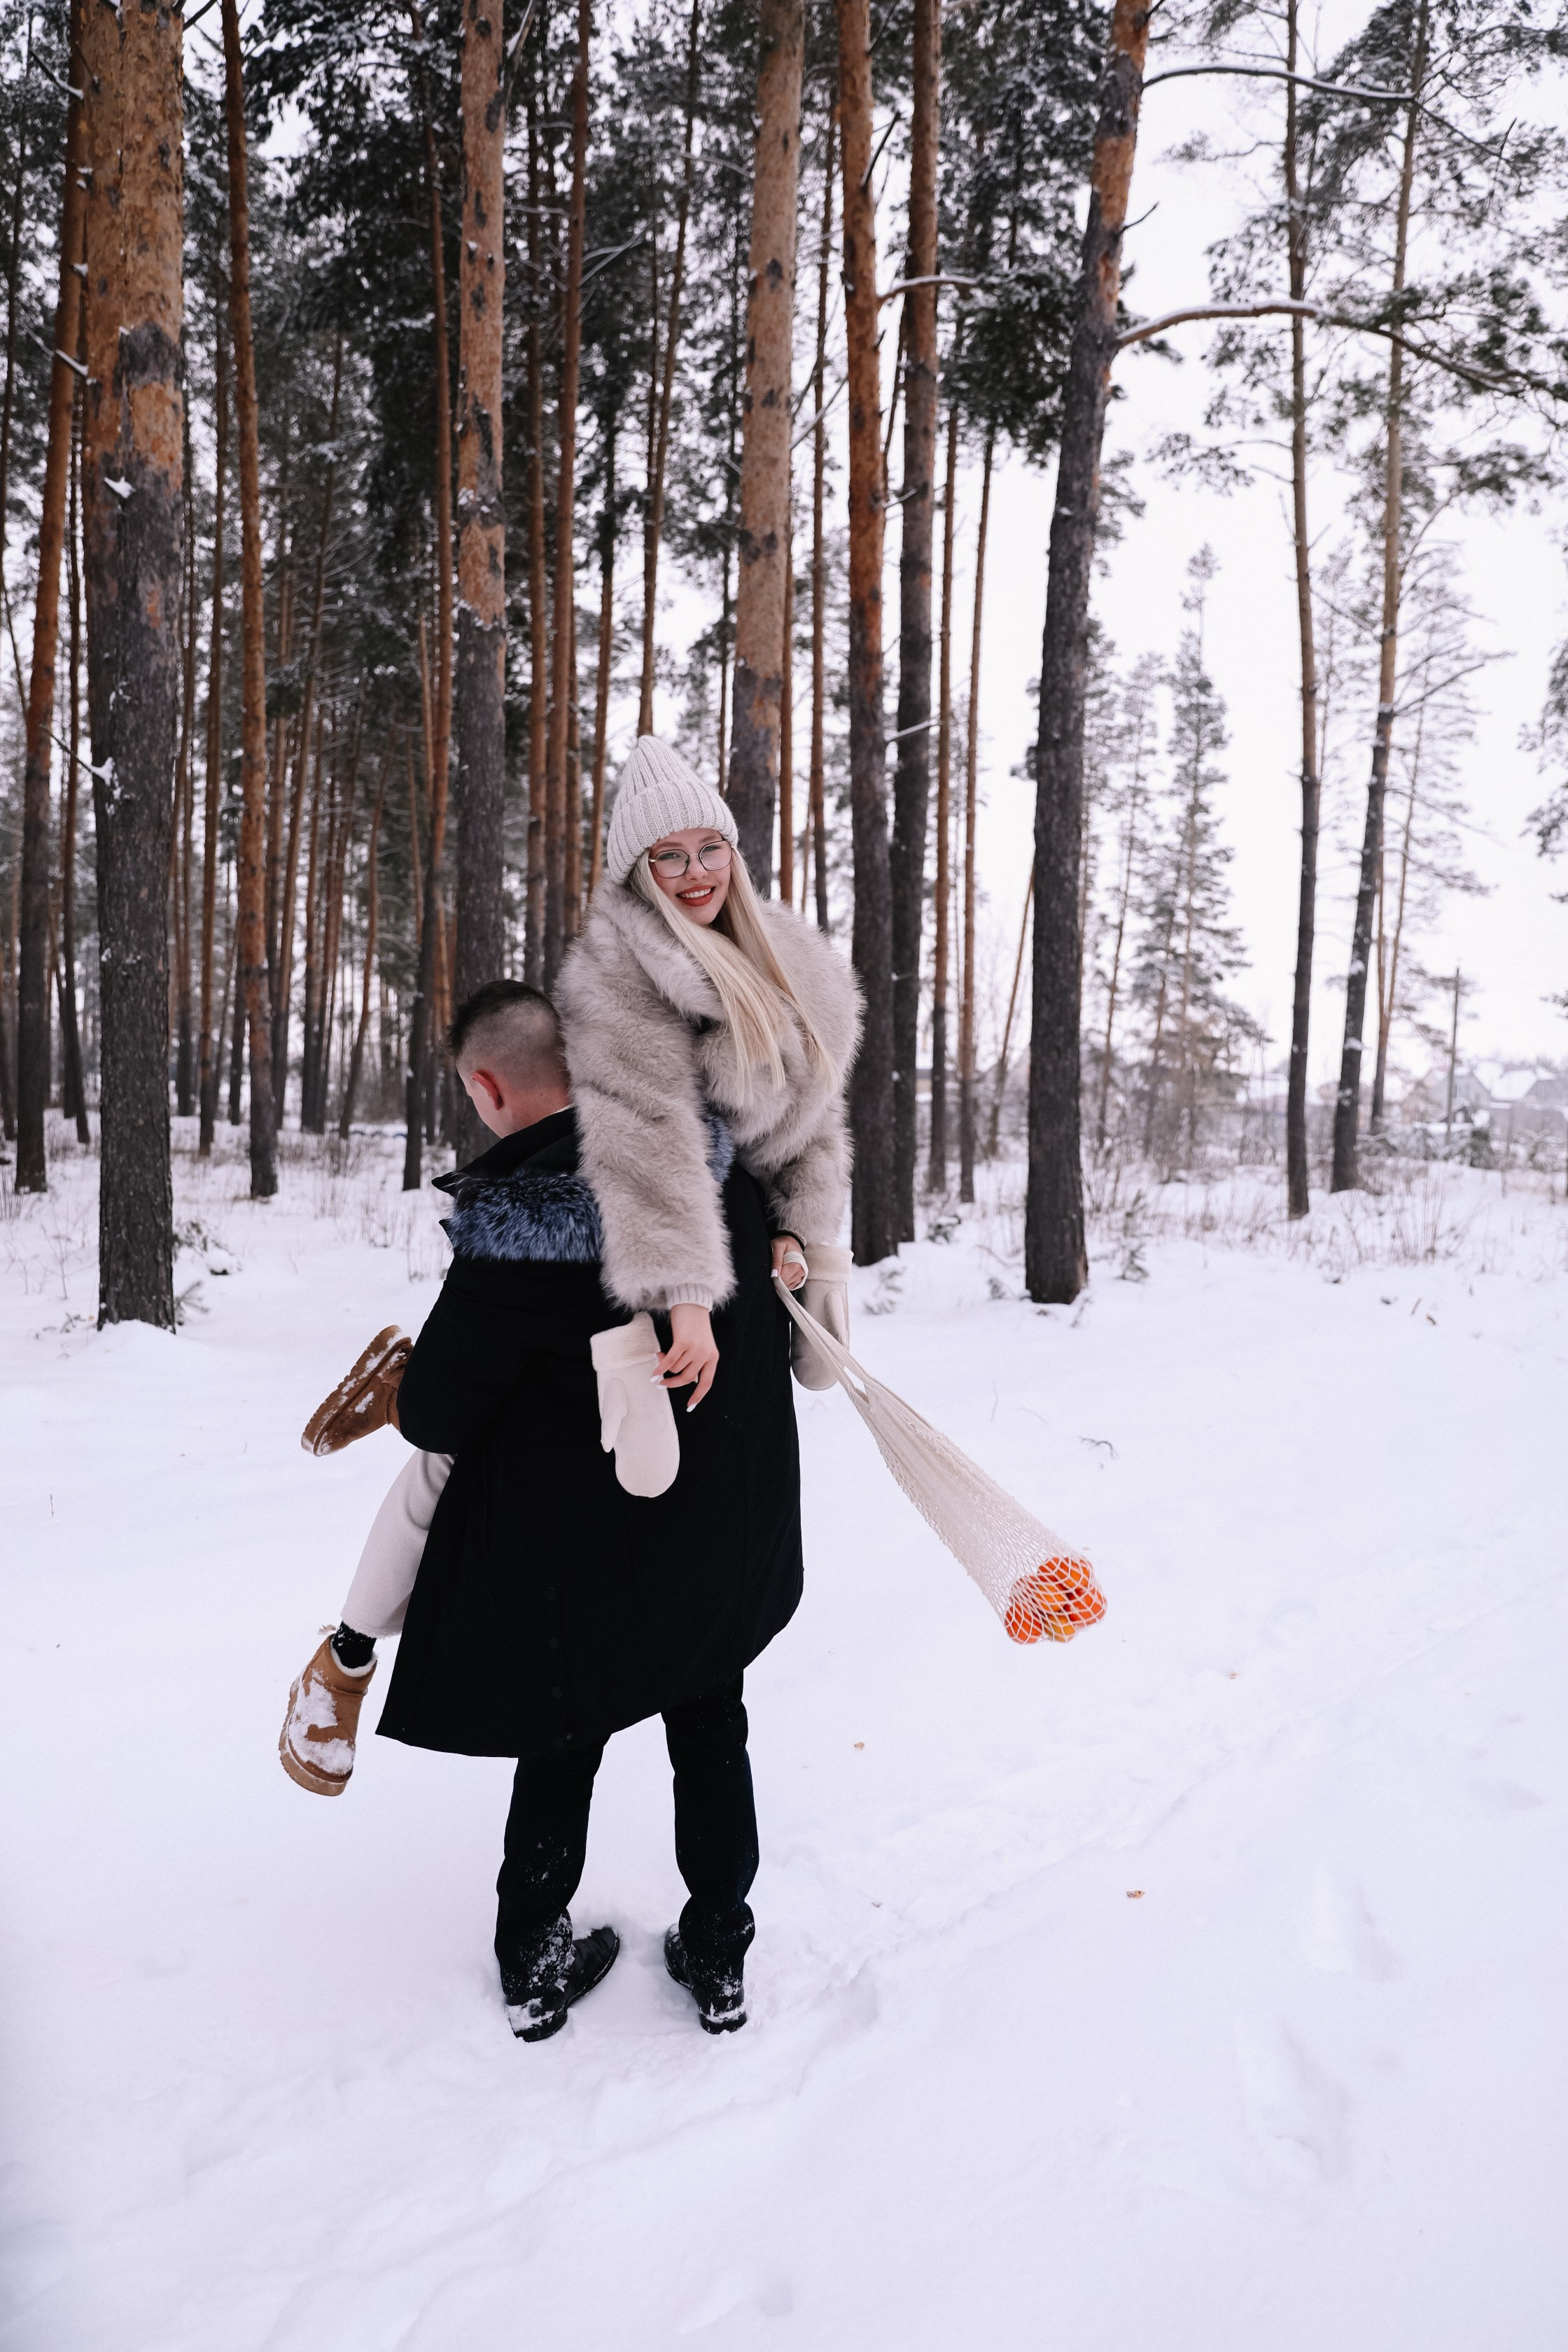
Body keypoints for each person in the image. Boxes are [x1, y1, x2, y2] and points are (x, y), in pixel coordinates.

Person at [286, 735, 859, 2045]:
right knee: (697, 1692)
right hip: (701, 1403)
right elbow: (652, 1150)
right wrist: (698, 1285)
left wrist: (782, 1246)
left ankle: (620, 1950)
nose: (699, 868)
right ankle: (678, 1945)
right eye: (671, 853)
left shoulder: (769, 963)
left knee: (617, 1708)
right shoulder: (628, 1018)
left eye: (711, 843)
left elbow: (796, 1130)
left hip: (667, 1444)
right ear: (634, 868)